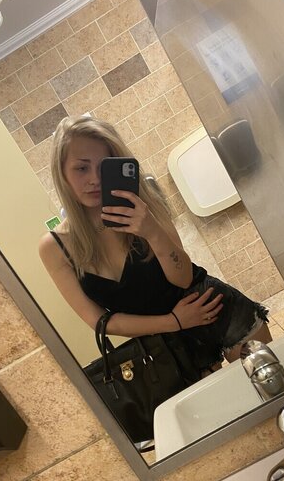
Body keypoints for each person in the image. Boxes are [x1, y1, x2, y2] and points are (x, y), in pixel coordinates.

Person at [39, 115, 271, 379]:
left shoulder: (145, 204)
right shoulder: (55, 247)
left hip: (213, 308)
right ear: (62, 173)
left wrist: (151, 230)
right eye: (81, 168)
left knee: (272, 386)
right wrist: (175, 322)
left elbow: (183, 278)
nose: (95, 179)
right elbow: (99, 321)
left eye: (104, 167)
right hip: (165, 347)